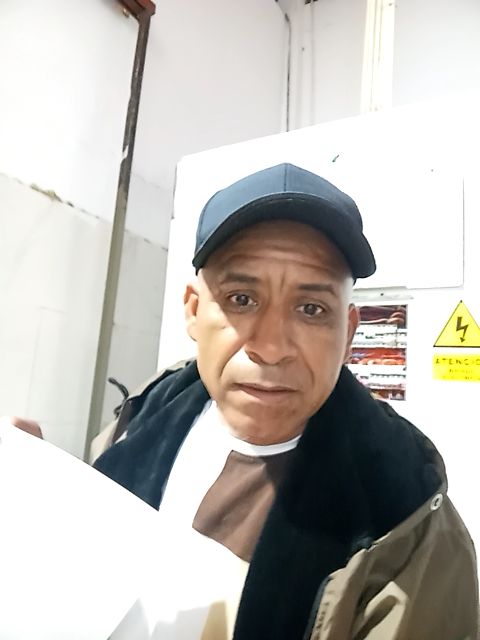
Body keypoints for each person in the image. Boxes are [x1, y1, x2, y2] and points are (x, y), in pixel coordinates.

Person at [18, 164, 480, 639]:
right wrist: (38, 497)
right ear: (194, 311)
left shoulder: (408, 528)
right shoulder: (147, 413)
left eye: (311, 309)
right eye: (241, 299)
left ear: (348, 334)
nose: (271, 346)